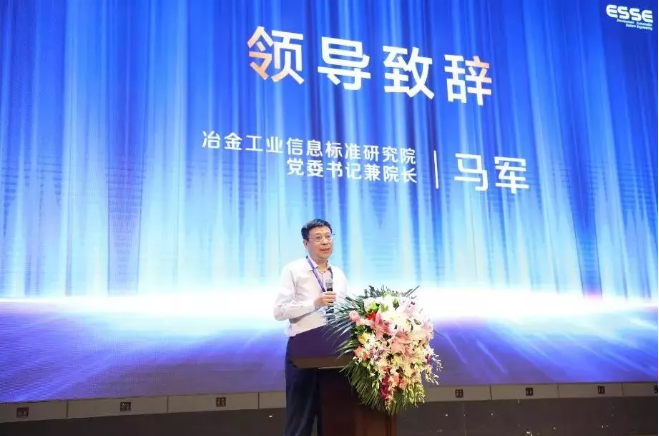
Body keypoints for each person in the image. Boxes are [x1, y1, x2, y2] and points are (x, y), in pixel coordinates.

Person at [273, 218, 349, 436]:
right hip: (303, 352)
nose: (325, 242)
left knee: (335, 418)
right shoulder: (294, 270)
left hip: (335, 354)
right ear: (306, 243)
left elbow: (346, 311)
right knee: (300, 419)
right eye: (318, 238)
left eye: (328, 236)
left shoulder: (338, 274)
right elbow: (279, 311)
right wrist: (314, 303)